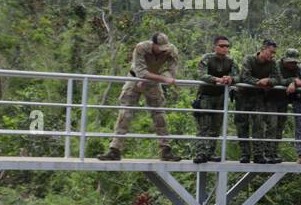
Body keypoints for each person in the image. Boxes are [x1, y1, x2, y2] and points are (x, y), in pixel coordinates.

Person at [98, 32, 181, 161]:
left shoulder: (171, 50)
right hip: (134, 78)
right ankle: (115, 149)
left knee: (159, 113)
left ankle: (165, 149)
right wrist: (158, 78)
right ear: (153, 44)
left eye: (165, 47)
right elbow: (141, 72)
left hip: (154, 80)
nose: (162, 50)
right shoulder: (141, 48)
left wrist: (160, 78)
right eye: (160, 47)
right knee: (125, 112)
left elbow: (172, 71)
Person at [236, 40, 280, 164]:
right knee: (242, 125)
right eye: (270, 52)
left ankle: (258, 155)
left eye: (274, 53)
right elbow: (244, 76)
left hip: (258, 97)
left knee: (258, 126)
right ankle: (245, 155)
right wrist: (258, 82)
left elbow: (278, 79)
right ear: (263, 49)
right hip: (243, 96)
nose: (272, 55)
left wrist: (269, 81)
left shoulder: (272, 63)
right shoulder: (249, 59)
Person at [192, 36, 234, 163]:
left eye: (227, 46)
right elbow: (202, 74)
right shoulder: (207, 58)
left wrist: (230, 78)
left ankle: (210, 153)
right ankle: (200, 153)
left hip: (221, 96)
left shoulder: (230, 60)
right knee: (203, 126)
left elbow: (237, 74)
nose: (225, 48)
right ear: (215, 47)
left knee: (216, 126)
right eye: (222, 46)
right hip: (205, 95)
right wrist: (217, 79)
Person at [273, 49, 301, 162]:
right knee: (271, 126)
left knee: (279, 126)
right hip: (271, 99)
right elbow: (276, 80)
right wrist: (292, 80)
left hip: (284, 100)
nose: (292, 64)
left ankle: (274, 153)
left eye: (294, 62)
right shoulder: (276, 65)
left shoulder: (297, 68)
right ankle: (267, 153)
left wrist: (293, 82)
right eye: (290, 62)